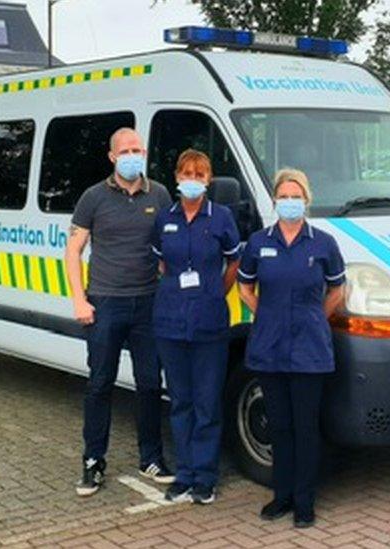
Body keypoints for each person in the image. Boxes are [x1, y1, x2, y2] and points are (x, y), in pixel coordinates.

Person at [65, 127, 175, 497]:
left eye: (139, 149)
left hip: (148, 303)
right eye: (126, 150)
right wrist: (80, 300)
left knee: (149, 385)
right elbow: (73, 250)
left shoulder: (158, 194)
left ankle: (152, 458)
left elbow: (165, 247)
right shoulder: (93, 198)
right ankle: (93, 462)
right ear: (112, 157)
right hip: (105, 302)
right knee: (100, 384)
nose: (134, 155)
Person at [237, 169, 346, 528]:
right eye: (282, 196)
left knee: (305, 427)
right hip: (269, 348)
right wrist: (266, 314)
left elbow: (337, 292)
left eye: (295, 196)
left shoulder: (323, 243)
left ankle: (304, 501)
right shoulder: (258, 243)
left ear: (306, 200)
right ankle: (280, 496)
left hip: (309, 349)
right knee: (279, 426)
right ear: (274, 201)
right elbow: (244, 288)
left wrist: (314, 317)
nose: (288, 202)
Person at [150, 149, 241, 505]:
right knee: (180, 402)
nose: (192, 179)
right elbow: (161, 265)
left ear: (208, 179)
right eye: (186, 172)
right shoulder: (164, 219)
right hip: (170, 322)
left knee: (207, 404)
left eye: (199, 174)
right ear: (177, 176)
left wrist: (214, 292)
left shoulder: (221, 218)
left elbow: (233, 262)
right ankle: (184, 474)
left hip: (209, 324)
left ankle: (204, 477)